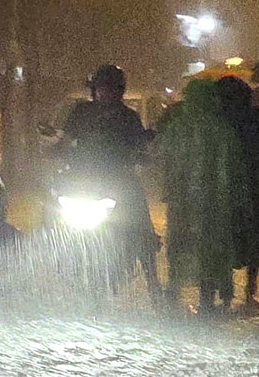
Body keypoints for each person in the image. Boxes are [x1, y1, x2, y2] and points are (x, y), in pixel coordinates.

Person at [57, 64, 162, 296]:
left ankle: (154, 286)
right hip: (82, 182)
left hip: (120, 183)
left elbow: (141, 147)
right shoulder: (80, 112)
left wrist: (144, 156)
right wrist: (56, 153)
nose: (106, 93)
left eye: (111, 89)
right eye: (102, 88)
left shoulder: (130, 117)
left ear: (120, 91)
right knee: (54, 218)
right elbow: (64, 141)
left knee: (141, 229)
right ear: (95, 90)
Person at [157, 77, 247, 315]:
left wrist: (168, 187)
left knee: (180, 244)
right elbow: (234, 167)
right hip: (215, 201)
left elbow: (161, 156)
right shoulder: (221, 129)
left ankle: (174, 291)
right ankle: (211, 295)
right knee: (213, 247)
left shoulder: (178, 127)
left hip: (182, 199)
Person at [216, 76, 259, 313]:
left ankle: (226, 292)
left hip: (225, 185)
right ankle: (249, 293)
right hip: (252, 184)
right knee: (254, 238)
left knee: (226, 238)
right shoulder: (257, 118)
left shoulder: (218, 121)